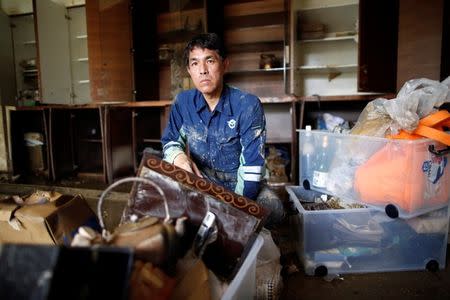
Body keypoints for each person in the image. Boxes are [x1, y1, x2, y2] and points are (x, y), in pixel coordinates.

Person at [161, 33, 284, 226]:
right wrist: (180, 159)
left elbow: (252, 170)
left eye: (209, 60)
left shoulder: (247, 105)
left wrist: (234, 208)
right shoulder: (183, 103)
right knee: (164, 205)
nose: (202, 70)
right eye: (195, 63)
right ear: (189, 70)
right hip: (202, 181)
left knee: (274, 211)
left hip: (240, 183)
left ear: (225, 64)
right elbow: (170, 142)